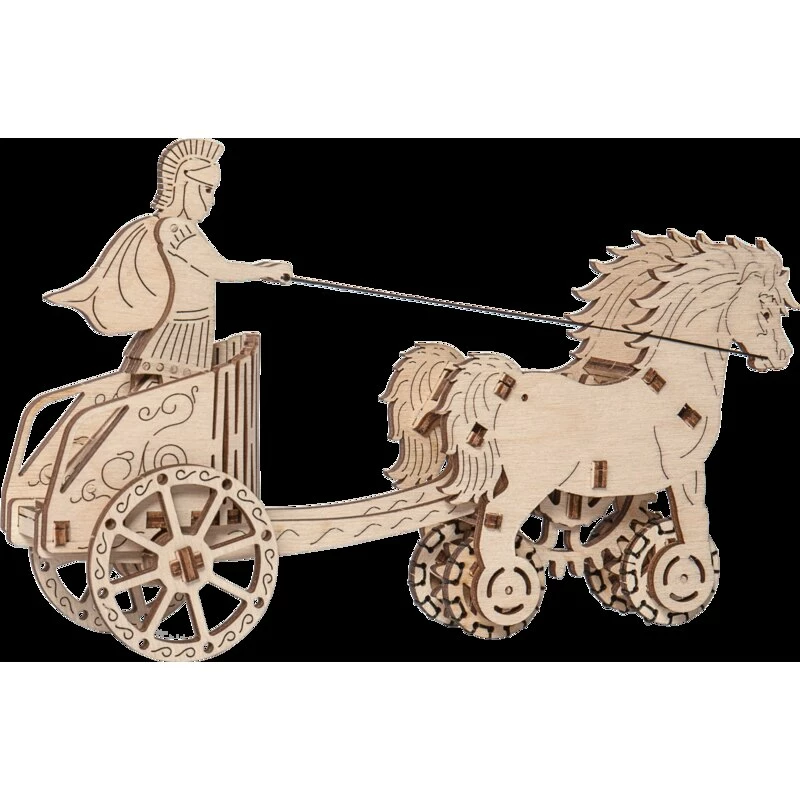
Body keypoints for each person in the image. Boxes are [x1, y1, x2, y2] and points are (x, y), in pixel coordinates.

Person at [45, 138, 292, 386]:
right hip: (181, 328)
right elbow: (217, 268)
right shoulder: (175, 228)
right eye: (208, 190)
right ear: (186, 186)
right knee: (169, 385)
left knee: (168, 386)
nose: (212, 200)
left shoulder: (181, 228)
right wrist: (263, 271)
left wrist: (264, 269)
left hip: (193, 323)